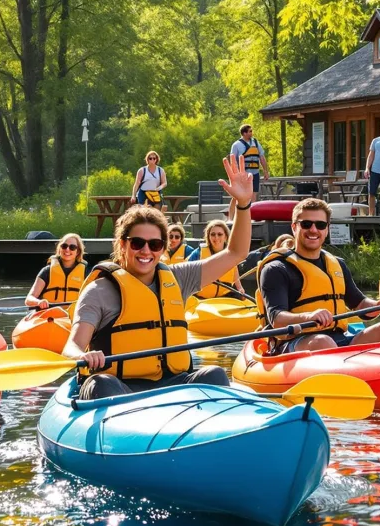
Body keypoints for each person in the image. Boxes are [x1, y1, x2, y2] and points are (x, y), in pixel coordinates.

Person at [64, 154, 256, 399]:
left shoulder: (177, 278)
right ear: (122, 245)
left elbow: (237, 252)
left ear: (163, 248)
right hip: (120, 388)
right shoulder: (99, 291)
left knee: (215, 374)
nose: (146, 251)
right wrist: (82, 356)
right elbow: (71, 346)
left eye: (155, 244)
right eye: (137, 243)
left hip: (172, 384)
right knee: (101, 384)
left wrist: (243, 204)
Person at [257, 197, 380, 355]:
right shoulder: (276, 269)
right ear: (294, 227)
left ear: (327, 229)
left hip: (339, 339)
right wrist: (309, 316)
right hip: (294, 343)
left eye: (320, 225)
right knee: (323, 341)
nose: (314, 230)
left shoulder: (338, 265)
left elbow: (360, 304)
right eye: (306, 224)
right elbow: (277, 319)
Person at [24, 233, 87, 311]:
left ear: (77, 252)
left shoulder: (86, 273)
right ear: (59, 249)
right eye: (64, 246)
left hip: (75, 315)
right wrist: (39, 302)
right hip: (49, 315)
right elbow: (29, 299)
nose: (67, 249)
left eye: (72, 247)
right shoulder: (46, 271)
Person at [188, 218, 247, 300]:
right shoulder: (198, 253)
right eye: (212, 234)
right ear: (208, 237)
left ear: (225, 237)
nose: (216, 237)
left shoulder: (231, 254)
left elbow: (234, 270)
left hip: (225, 296)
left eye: (219, 234)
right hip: (202, 299)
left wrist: (240, 287)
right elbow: (186, 273)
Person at [230, 123, 270, 202]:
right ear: (244, 133)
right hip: (243, 173)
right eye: (250, 131)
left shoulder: (255, 142)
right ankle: (242, 211)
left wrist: (265, 171)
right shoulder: (236, 145)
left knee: (254, 193)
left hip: (255, 173)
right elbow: (233, 160)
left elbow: (261, 157)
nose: (252, 133)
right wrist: (236, 174)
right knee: (243, 194)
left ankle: (251, 211)